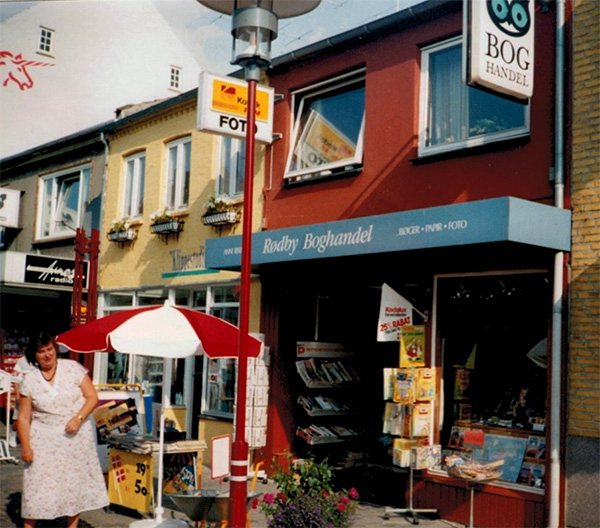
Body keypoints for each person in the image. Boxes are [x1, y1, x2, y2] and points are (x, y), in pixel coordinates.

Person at [16, 331, 109, 528]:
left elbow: (92, 397)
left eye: (49, 349)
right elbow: (23, 417)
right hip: (43, 437)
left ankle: (71, 526)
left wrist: (79, 417)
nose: (47, 355)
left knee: (72, 483)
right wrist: (26, 447)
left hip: (75, 436)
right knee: (38, 485)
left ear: (55, 349)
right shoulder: (29, 380)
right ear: (34, 355)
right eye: (41, 352)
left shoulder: (72, 368)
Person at [9, 355, 35, 447]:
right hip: (23, 394)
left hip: (36, 394)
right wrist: (17, 394)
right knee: (18, 418)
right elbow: (16, 380)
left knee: (34, 419)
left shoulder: (42, 360)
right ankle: (13, 435)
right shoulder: (22, 361)